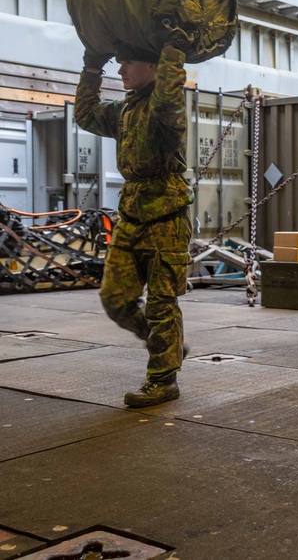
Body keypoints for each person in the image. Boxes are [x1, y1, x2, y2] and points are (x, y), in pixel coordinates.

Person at [75, 43, 191, 408]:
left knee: (161, 304)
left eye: (128, 63)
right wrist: (92, 68)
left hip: (166, 216)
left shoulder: (166, 110)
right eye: (119, 63)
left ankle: (163, 379)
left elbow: (168, 98)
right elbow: (86, 114)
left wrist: (172, 48)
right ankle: (166, 345)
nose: (121, 70)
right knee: (115, 298)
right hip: (132, 212)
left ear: (154, 67)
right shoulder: (125, 109)